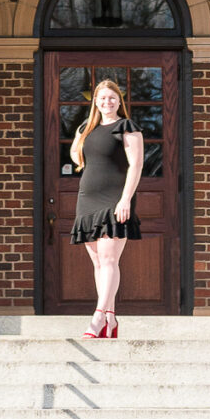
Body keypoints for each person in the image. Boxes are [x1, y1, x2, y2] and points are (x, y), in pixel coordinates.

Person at [69, 78, 144, 339]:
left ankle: (98, 316)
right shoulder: (87, 128)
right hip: (87, 197)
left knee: (110, 258)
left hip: (115, 198)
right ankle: (110, 320)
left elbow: (136, 165)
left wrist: (125, 200)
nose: (107, 102)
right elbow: (76, 157)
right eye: (102, 98)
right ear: (96, 102)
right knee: (98, 262)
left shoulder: (127, 127)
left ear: (119, 101)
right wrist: (81, 133)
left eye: (112, 98)